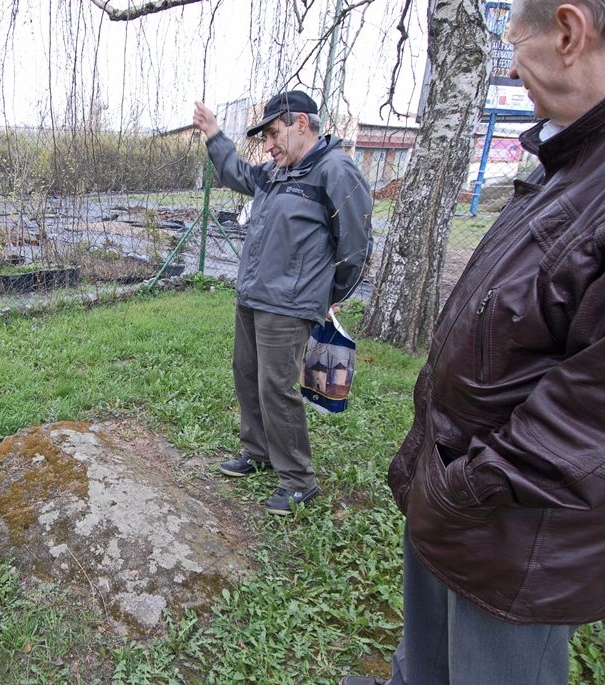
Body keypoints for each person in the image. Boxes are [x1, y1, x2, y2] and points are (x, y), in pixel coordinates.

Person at [341, 1, 605, 683]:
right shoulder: (569, 161)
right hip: (461, 501)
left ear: (570, 33)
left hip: (514, 537)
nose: (511, 65)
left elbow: (588, 419)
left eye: (514, 45)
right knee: (424, 662)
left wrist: (463, 484)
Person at [191, 91, 372, 514]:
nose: (269, 145)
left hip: (290, 305)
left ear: (301, 125)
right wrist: (215, 135)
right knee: (248, 375)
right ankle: (258, 452)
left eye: (274, 134)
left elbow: (356, 245)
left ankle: (298, 479)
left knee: (276, 386)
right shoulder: (277, 173)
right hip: (254, 295)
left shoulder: (335, 169)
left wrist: (328, 295)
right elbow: (237, 173)